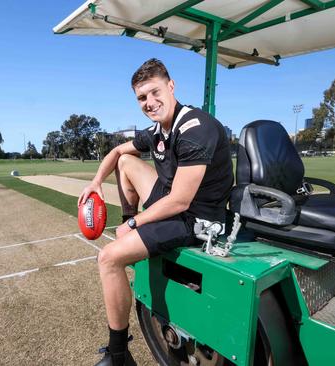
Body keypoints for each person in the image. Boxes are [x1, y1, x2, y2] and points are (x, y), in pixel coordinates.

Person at [78, 58, 234, 366]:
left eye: (155, 92)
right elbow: (116, 152)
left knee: (108, 259)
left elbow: (180, 202)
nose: (150, 102)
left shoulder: (194, 127)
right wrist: (96, 182)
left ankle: (119, 355)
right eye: (142, 97)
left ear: (171, 86)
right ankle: (134, 238)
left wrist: (136, 223)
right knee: (125, 161)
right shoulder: (159, 129)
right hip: (174, 202)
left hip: (198, 219)